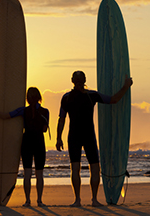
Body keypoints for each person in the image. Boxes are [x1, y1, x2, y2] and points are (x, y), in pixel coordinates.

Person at [55, 70, 133, 207]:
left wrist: (58, 138)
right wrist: (125, 87)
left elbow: (61, 119)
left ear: (72, 80)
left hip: (74, 135)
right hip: (88, 135)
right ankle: (94, 199)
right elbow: (113, 100)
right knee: (94, 167)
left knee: (75, 168)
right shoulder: (92, 95)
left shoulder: (66, 97)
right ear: (84, 80)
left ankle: (77, 200)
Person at [0, 86, 51, 207]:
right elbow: (45, 129)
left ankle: (27, 201)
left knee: (27, 172)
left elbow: (5, 116)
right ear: (39, 98)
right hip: (39, 141)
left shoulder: (22, 111)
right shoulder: (45, 112)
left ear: (27, 99)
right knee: (39, 173)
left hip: (27, 141)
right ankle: (40, 201)